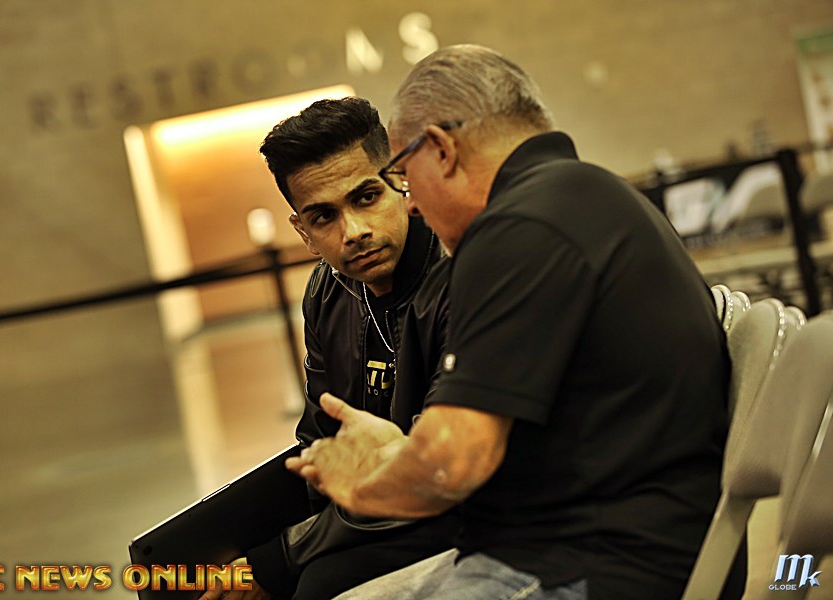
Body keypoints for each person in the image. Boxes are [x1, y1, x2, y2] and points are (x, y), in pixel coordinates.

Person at [287, 45, 738, 600]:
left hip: (600, 564)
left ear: (442, 150)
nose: (413, 204)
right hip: (619, 543)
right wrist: (402, 453)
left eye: (402, 175)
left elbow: (452, 466)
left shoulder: (518, 230)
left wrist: (361, 483)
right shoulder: (582, 195)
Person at [200, 97, 457, 600]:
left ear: (401, 181)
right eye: (323, 217)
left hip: (467, 510)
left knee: (319, 584)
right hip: (379, 512)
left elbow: (439, 469)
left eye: (366, 197)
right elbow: (319, 442)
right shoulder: (327, 292)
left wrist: (278, 560)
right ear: (303, 231)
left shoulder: (460, 276)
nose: (353, 233)